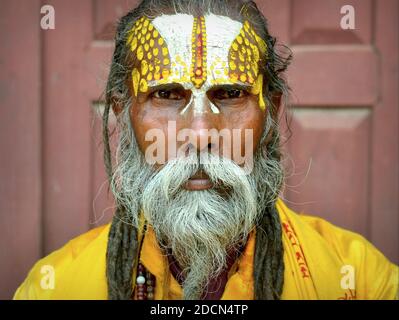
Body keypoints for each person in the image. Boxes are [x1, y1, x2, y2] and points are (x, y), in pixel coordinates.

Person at [14, 0, 398, 300]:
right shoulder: (55, 286)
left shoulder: (359, 279)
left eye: (230, 94)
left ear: (271, 113)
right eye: (165, 94)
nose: (199, 134)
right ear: (123, 112)